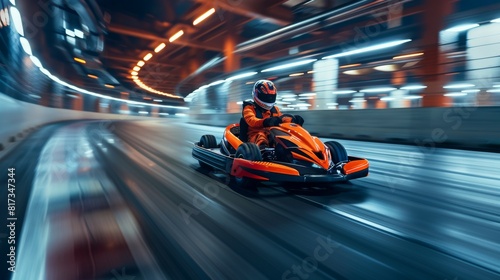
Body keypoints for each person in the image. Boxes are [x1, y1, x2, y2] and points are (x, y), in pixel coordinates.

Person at [242, 80, 304, 149]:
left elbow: (282, 119)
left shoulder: (275, 109)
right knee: (261, 136)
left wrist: (293, 120)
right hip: (254, 138)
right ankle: (264, 153)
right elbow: (252, 121)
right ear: (256, 94)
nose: (269, 99)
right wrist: (266, 122)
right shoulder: (249, 108)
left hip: (271, 134)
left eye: (271, 97)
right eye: (266, 97)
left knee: (284, 135)